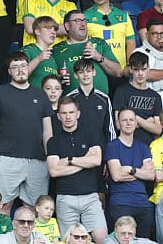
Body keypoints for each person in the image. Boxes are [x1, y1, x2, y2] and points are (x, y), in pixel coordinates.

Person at [0, 53, 53, 215]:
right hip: (6, 159)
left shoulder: (40, 95)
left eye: (23, 66)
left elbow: (47, 130)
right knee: (3, 206)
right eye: (15, 67)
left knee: (34, 208)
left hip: (38, 160)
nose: (20, 70)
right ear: (9, 71)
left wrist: (50, 156)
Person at [45, 97, 106, 242]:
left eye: (71, 112)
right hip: (65, 198)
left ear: (78, 114)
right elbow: (53, 171)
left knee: (101, 238)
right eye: (64, 113)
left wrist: (69, 160)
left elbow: (96, 160)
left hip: (90, 196)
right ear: (59, 116)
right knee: (68, 240)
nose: (68, 116)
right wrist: (84, 161)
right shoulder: (53, 141)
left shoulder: (91, 135)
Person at [105, 108, 156, 234]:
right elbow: (116, 176)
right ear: (118, 123)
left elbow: (151, 175)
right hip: (121, 202)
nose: (128, 123)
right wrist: (140, 172)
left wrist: (131, 170)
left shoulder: (143, 147)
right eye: (124, 120)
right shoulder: (112, 146)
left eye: (131, 120)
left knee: (143, 241)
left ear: (136, 123)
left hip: (143, 203)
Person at [111, 52, 163, 146]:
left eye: (143, 69)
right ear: (130, 69)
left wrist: (134, 121)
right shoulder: (121, 91)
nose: (140, 73)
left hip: (148, 147)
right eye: (136, 70)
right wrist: (145, 121)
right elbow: (119, 125)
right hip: (126, 146)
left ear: (148, 68)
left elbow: (158, 130)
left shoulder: (155, 96)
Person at [84, 0, 136, 70]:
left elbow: (130, 43)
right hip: (96, 71)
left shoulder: (123, 15)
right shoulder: (85, 16)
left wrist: (129, 66)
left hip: (120, 70)